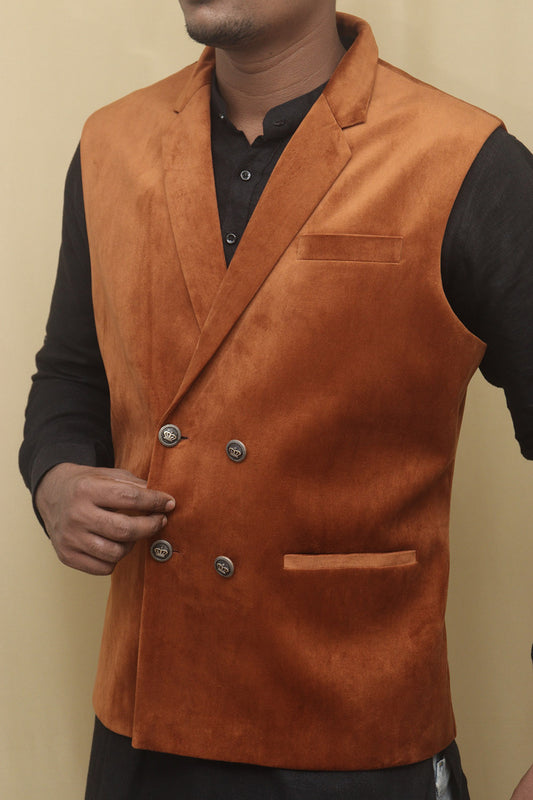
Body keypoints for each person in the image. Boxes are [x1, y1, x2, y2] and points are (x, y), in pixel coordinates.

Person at [19, 1, 533, 798]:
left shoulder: (462, 160)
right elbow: (71, 371)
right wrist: (55, 478)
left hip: (357, 738)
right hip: (141, 730)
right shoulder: (111, 145)